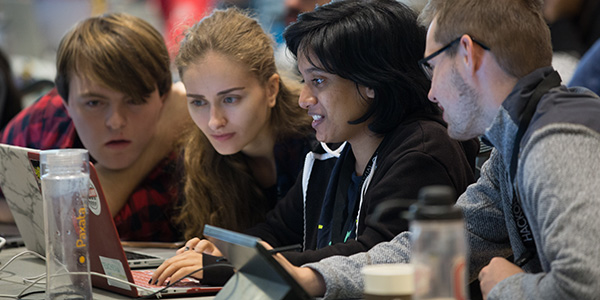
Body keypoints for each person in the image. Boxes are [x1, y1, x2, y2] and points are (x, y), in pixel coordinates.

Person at [271, 0, 600, 299]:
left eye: (432, 67)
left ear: (468, 54)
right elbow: (432, 250)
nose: (430, 91)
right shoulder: (512, 148)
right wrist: (316, 278)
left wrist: (505, 285)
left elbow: (584, 287)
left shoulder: (556, 140)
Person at [151, 0, 478, 286]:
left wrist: (227, 267)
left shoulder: (423, 150)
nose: (305, 99)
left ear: (370, 82)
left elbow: (373, 256)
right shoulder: (329, 152)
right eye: (305, 81)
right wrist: (219, 252)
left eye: (318, 81)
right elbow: (276, 232)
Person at [0, 13, 191, 242]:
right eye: (94, 103)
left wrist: (28, 210)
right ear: (65, 101)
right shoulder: (41, 123)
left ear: (163, 97)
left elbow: (79, 230)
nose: (116, 121)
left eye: (135, 100)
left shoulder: (188, 157)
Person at [172, 8, 314, 240]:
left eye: (230, 99)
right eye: (198, 102)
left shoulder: (319, 142)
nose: (214, 121)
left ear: (271, 89)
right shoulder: (197, 155)